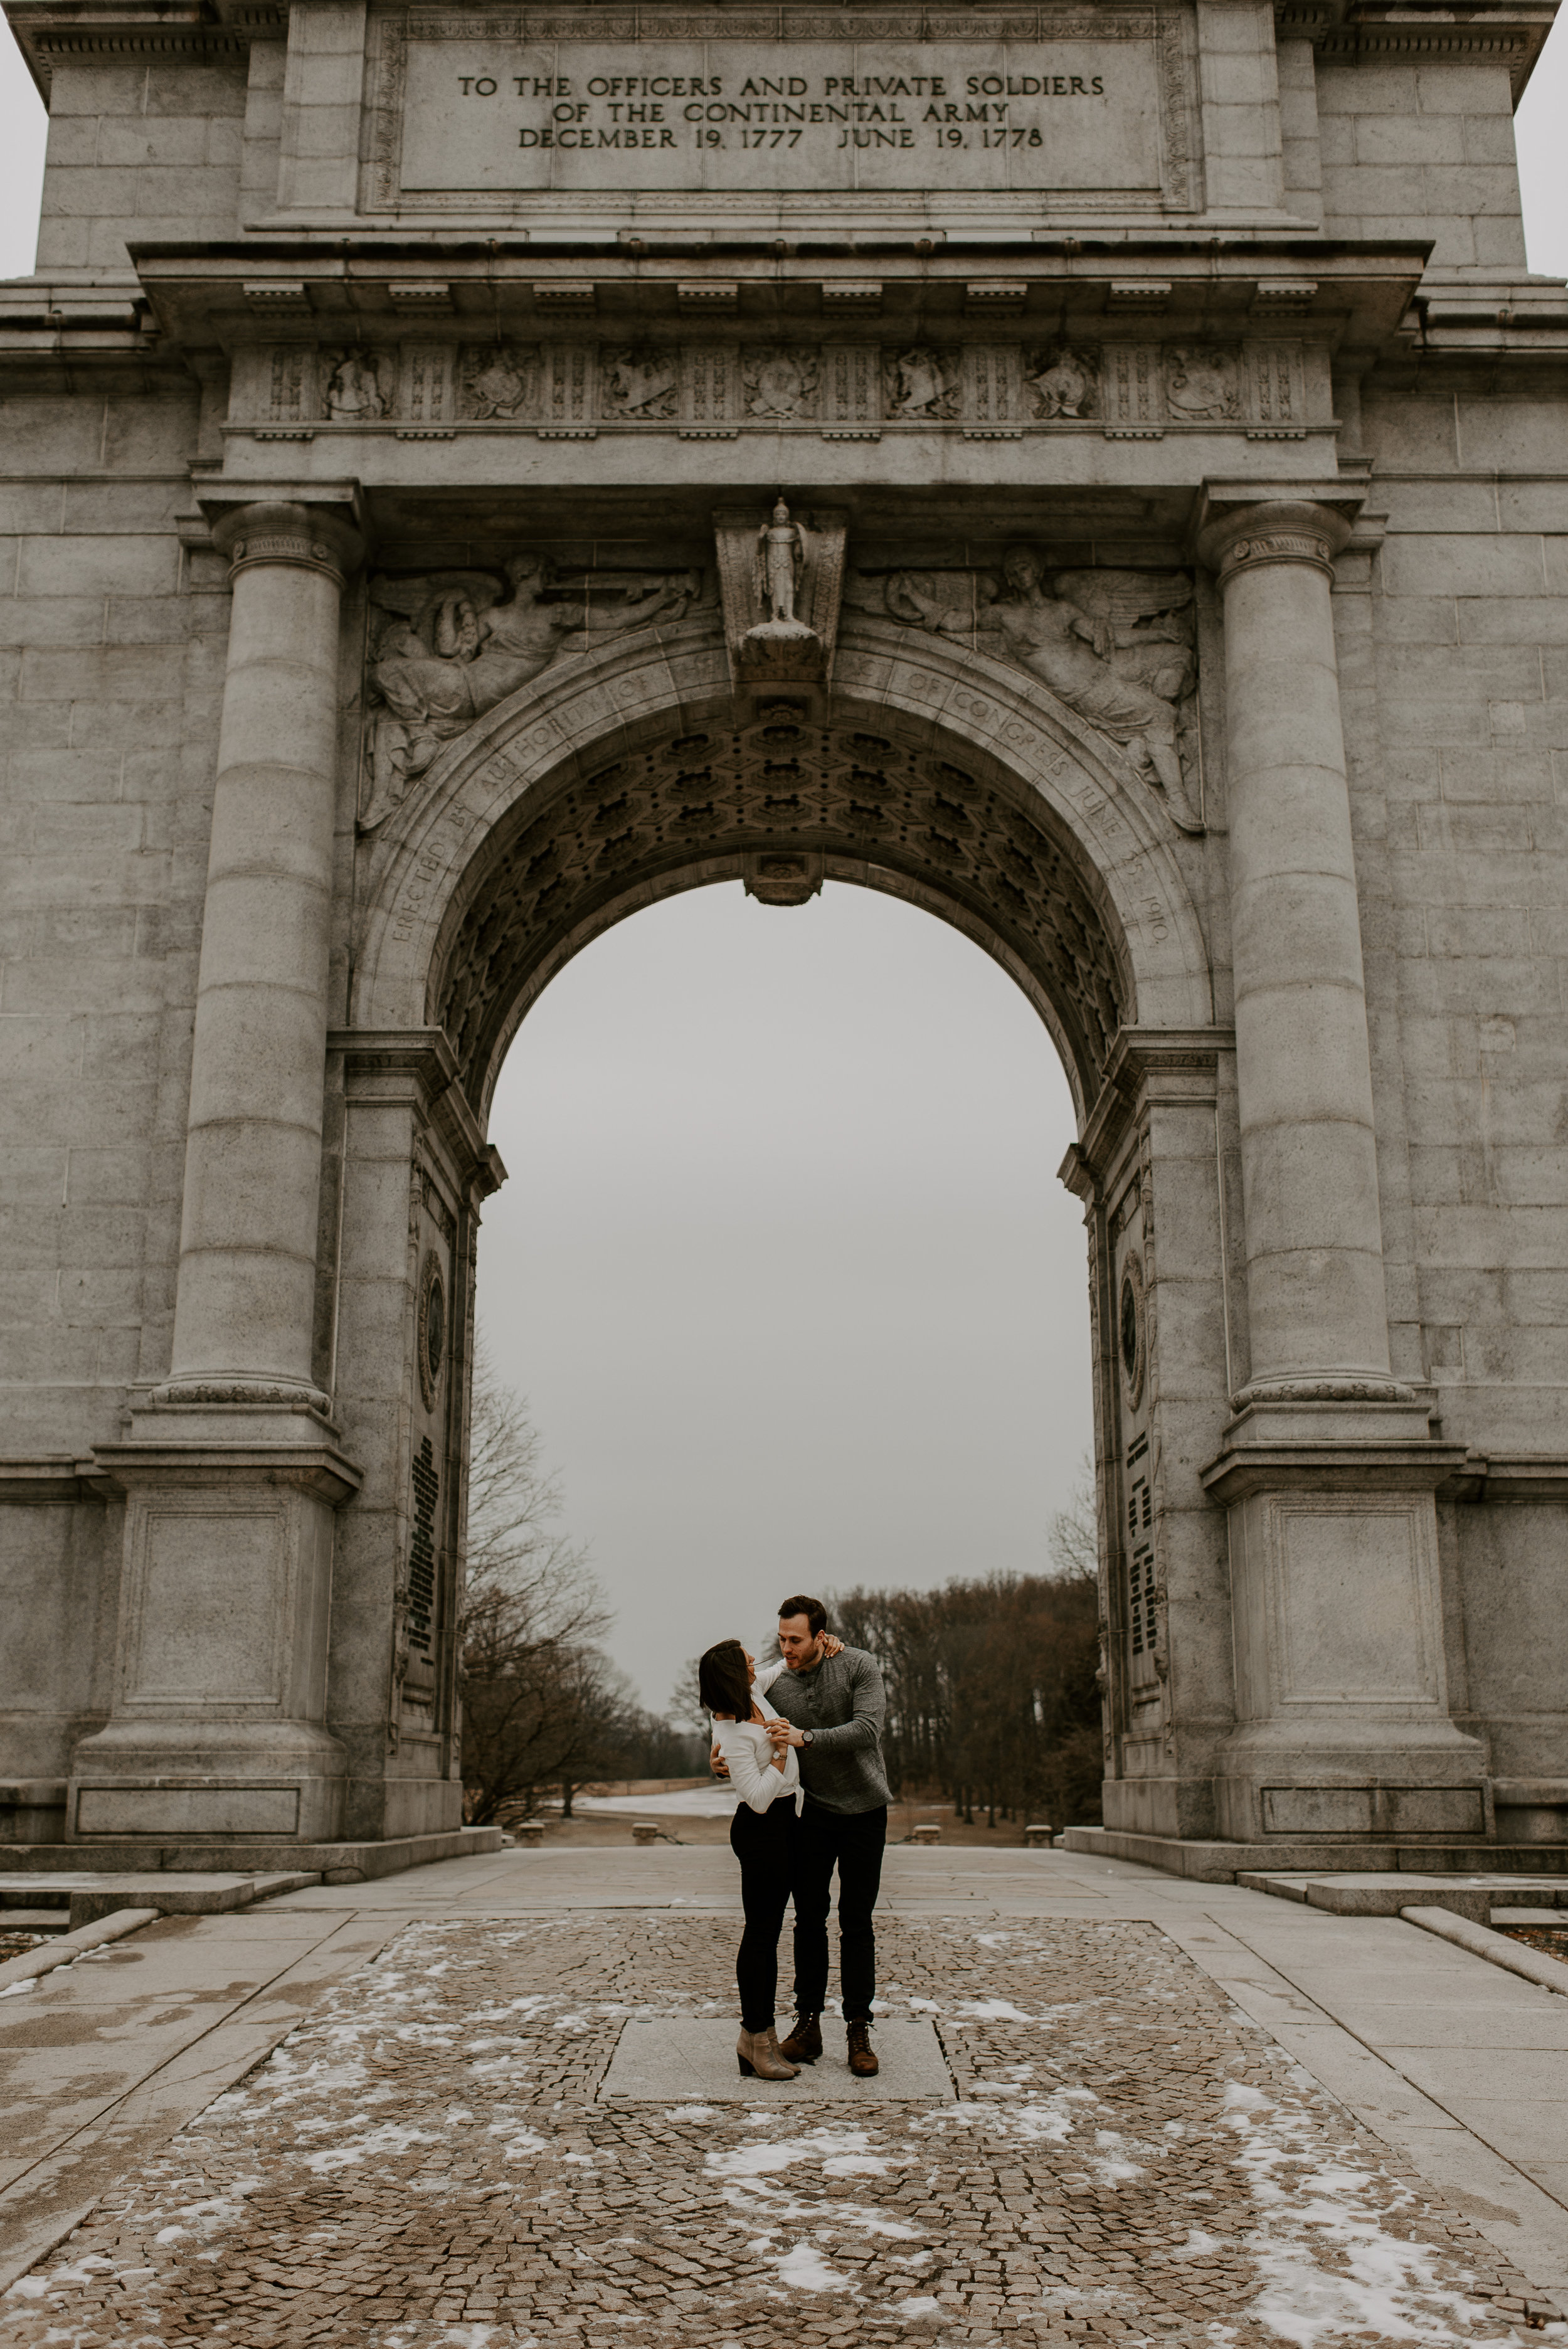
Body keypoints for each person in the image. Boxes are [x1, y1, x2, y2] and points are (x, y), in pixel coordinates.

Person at [715, 1598, 891, 2079]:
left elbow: (868, 1729)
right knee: (808, 1921)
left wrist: (805, 1738)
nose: (786, 1648)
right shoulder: (779, 1684)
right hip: (811, 1814)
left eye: (796, 1639)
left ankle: (858, 2027)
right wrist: (718, 1755)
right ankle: (808, 2023)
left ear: (820, 1635)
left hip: (866, 1812)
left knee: (857, 1921)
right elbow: (734, 1715)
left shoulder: (858, 1665)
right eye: (782, 1639)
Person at [699, 1636, 805, 2082]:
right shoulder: (734, 1733)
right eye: (746, 1662)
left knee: (768, 1933)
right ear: (733, 1674)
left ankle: (762, 2036)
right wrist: (781, 1750)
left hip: (784, 1827)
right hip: (762, 1830)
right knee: (760, 1936)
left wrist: (822, 1642)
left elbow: (779, 1667)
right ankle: (754, 2038)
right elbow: (759, 1799)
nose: (754, 1664)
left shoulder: (752, 1694)